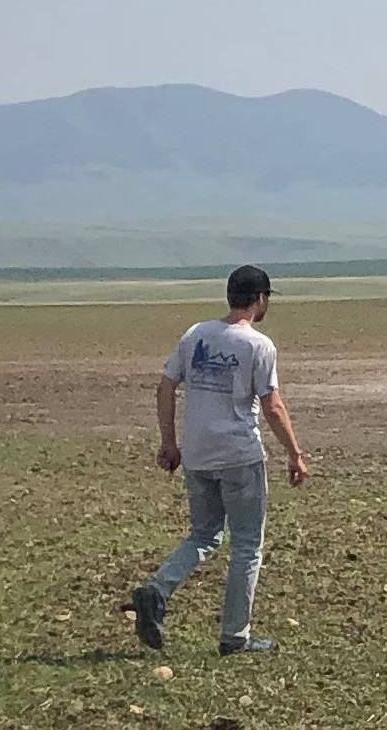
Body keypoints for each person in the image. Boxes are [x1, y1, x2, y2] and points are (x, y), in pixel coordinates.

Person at [127, 265, 313, 658]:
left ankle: (157, 590)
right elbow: (272, 406)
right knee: (247, 545)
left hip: (197, 454)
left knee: (205, 533)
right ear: (260, 299)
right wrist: (295, 454)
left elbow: (165, 386)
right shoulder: (258, 345)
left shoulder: (196, 334)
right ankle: (235, 637)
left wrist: (169, 441)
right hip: (238, 454)